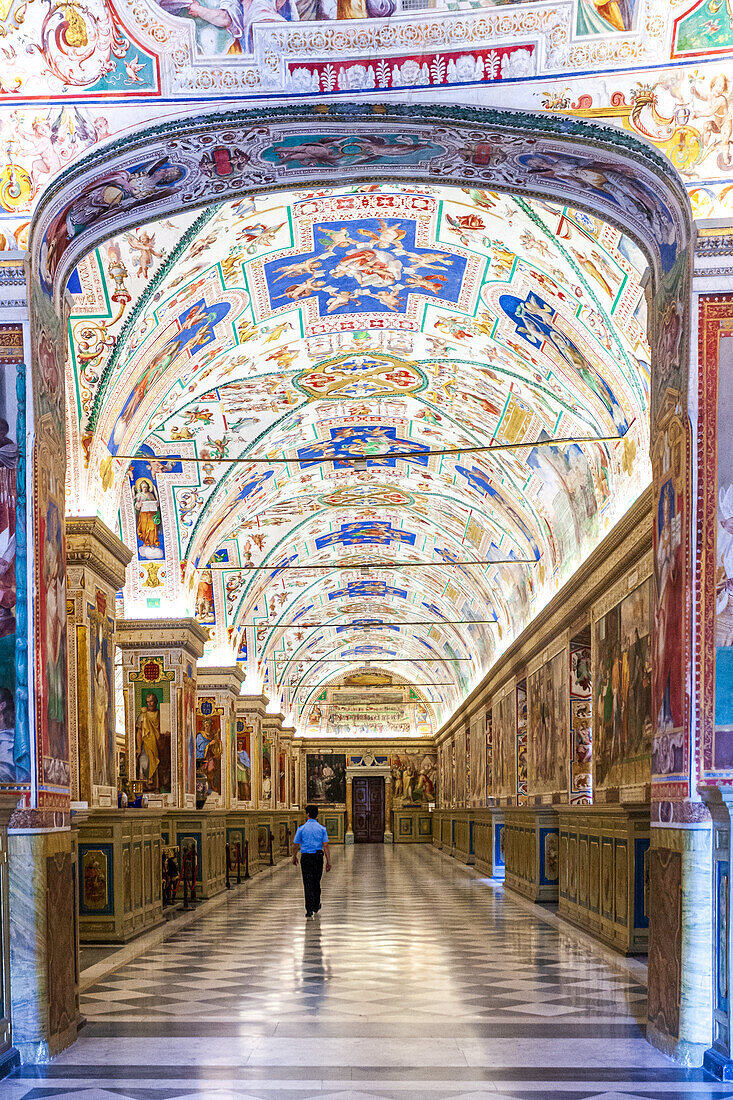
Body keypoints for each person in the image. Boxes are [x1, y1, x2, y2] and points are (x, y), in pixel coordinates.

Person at [292, 805, 331, 918]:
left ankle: (309, 909)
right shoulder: (322, 829)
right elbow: (326, 846)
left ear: (307, 814)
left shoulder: (301, 828)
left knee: (307, 882)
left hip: (306, 858)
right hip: (318, 857)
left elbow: (295, 845)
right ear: (317, 814)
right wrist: (328, 861)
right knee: (316, 881)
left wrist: (294, 857)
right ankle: (316, 904)